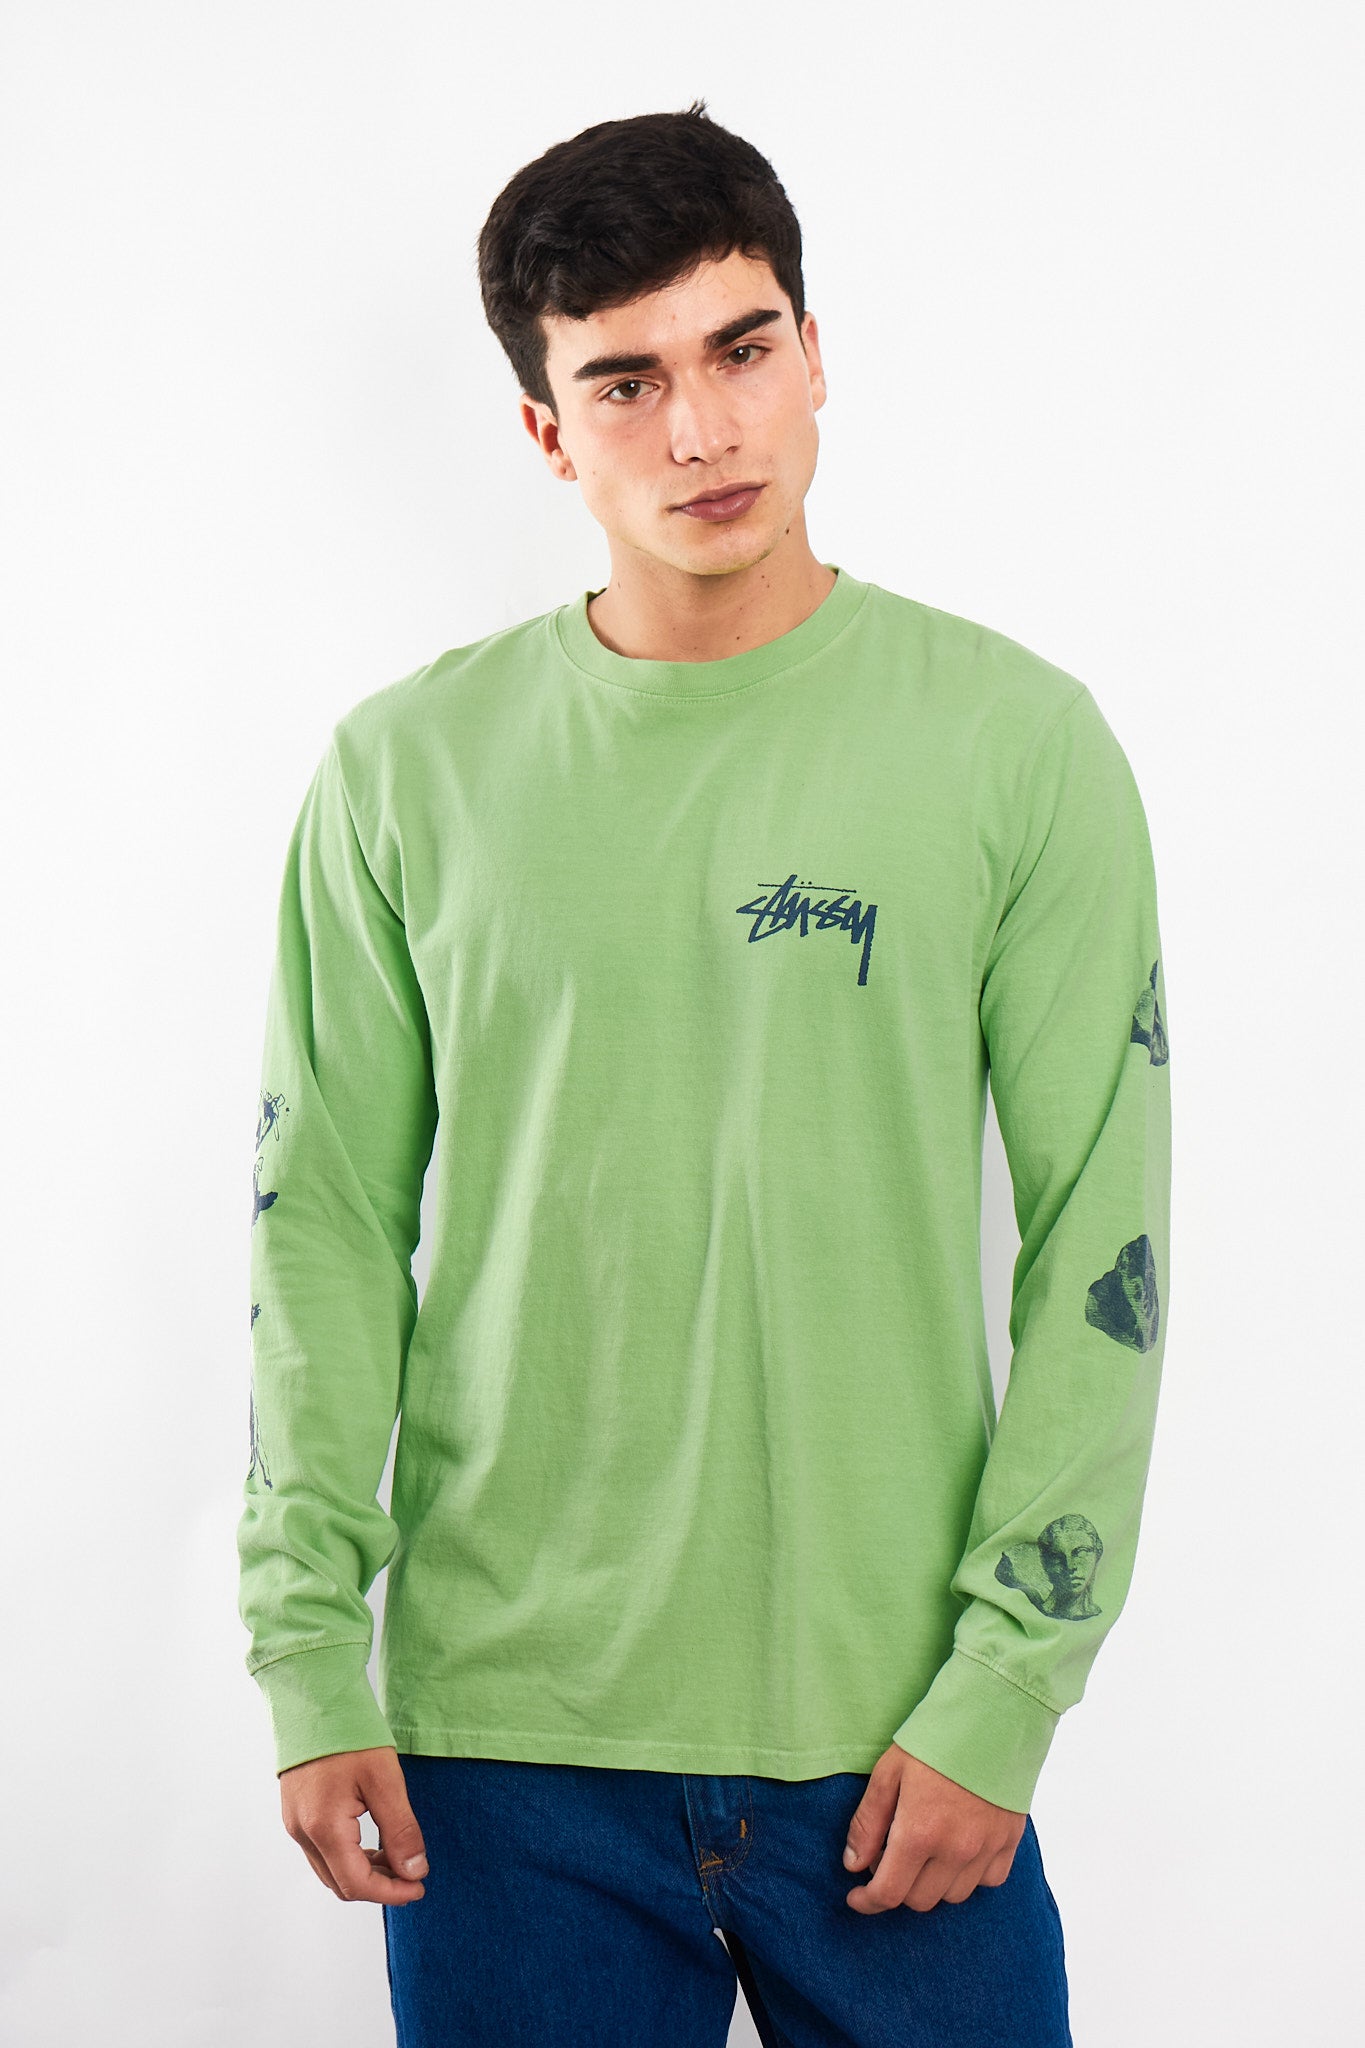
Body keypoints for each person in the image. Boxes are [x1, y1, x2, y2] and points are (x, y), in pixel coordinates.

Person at [237, 98, 1172, 2048]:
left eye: (740, 350)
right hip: (507, 1750)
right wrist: (308, 1654)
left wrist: (1006, 1685)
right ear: (544, 431)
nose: (699, 430)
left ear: (813, 353)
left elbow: (1102, 1234)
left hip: (896, 1736)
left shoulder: (1014, 746)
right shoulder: (406, 772)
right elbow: (322, 1221)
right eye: (625, 381)